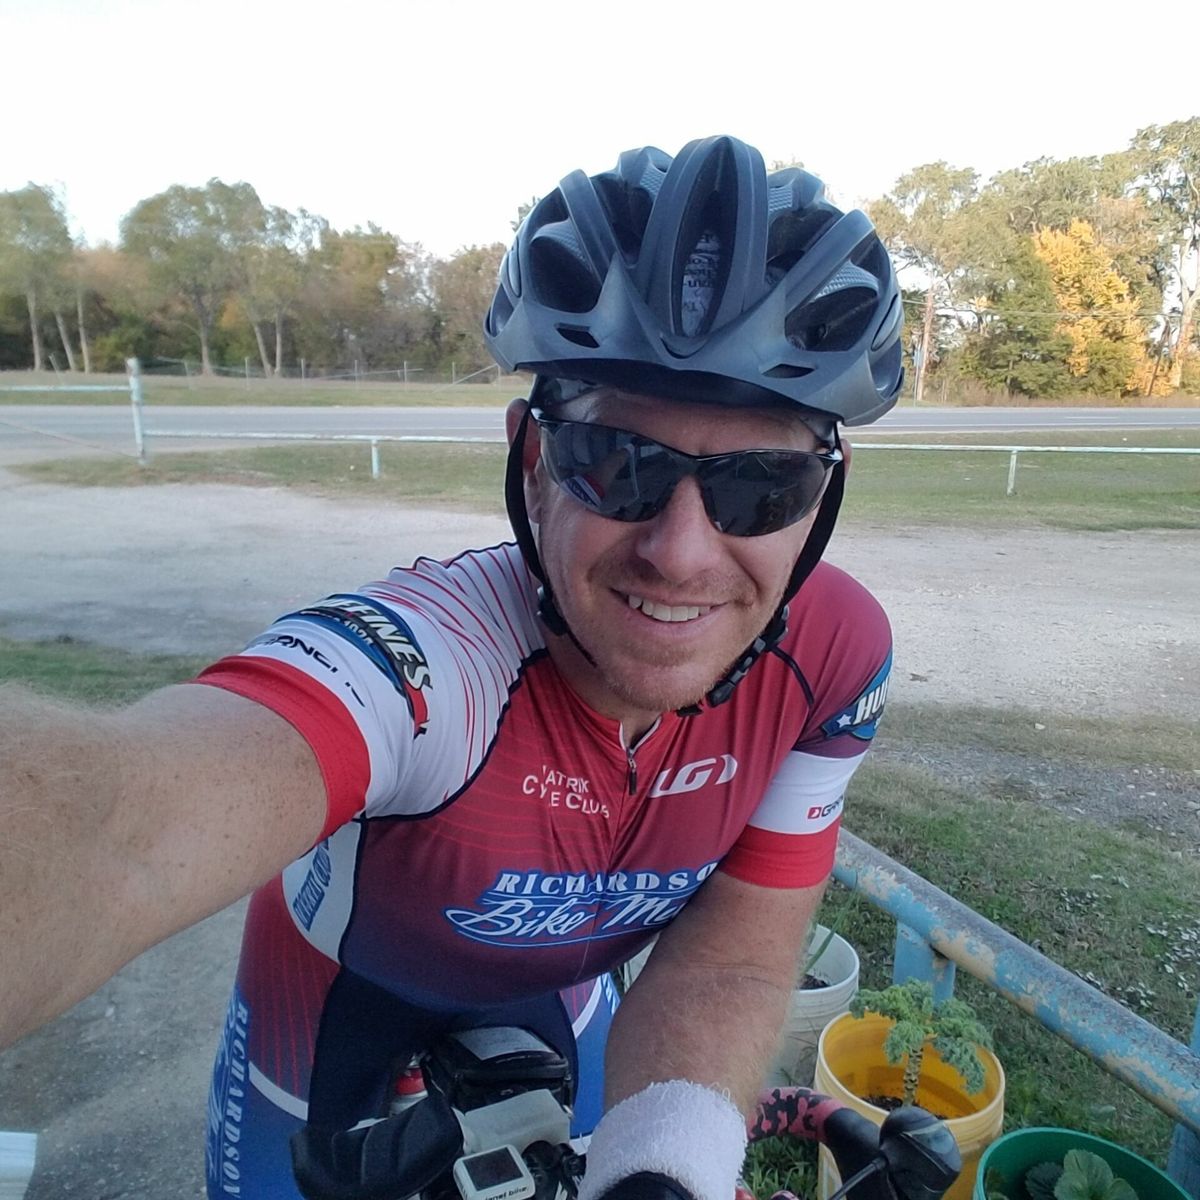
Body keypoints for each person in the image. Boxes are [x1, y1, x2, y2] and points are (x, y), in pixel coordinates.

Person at [0, 134, 902, 1200]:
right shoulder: (432, 663)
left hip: (563, 1007)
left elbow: (737, 958)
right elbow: (115, 830)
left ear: (823, 496)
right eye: (618, 463)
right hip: (327, 1023)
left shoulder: (835, 659)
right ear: (534, 462)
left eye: (761, 484)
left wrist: (663, 1172)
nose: (682, 552)